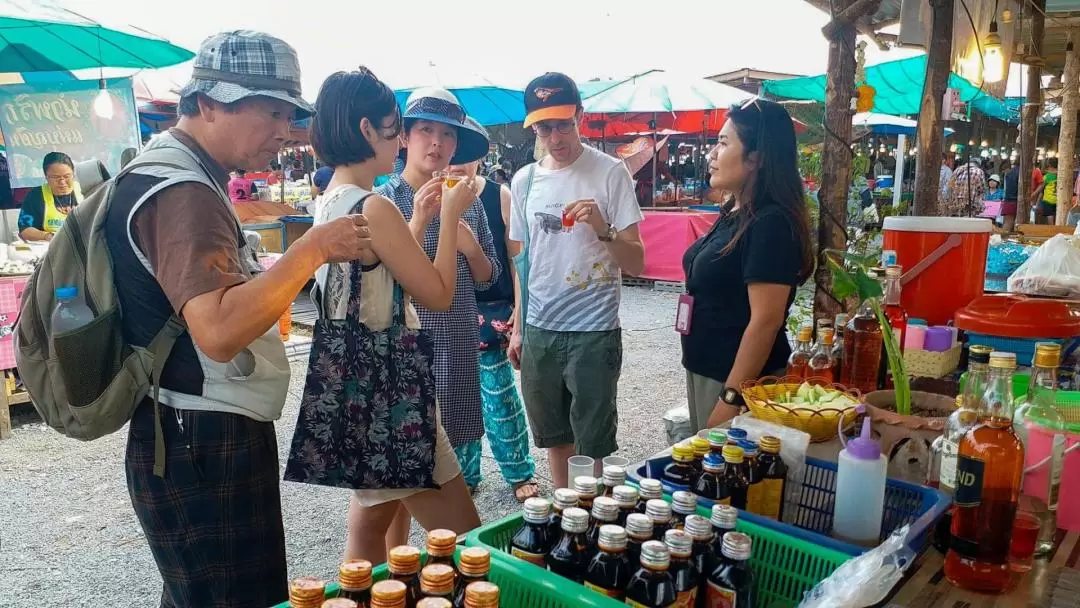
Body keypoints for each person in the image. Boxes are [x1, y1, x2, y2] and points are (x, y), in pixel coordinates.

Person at [104, 31, 372, 608]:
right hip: (201, 432)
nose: (285, 129)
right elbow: (220, 333)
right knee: (236, 597)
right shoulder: (183, 192)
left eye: (289, 114)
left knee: (203, 592)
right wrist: (313, 249)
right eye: (271, 111)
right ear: (208, 104)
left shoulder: (171, 171)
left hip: (180, 426)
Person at [305, 69, 483, 565]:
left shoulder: (331, 201)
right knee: (471, 544)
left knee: (368, 534)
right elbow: (440, 294)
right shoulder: (375, 205)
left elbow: (375, 276)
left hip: (352, 384)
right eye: (394, 127)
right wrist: (450, 215)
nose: (400, 139)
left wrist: (422, 220)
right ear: (368, 130)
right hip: (391, 393)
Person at [508, 73, 645, 489]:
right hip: (540, 330)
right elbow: (522, 260)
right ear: (533, 127)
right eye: (544, 127)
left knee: (592, 445)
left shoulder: (610, 173)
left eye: (563, 124)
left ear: (580, 117)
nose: (555, 137)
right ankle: (564, 520)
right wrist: (518, 326)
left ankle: (591, 526)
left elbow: (636, 261)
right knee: (555, 441)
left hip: (593, 332)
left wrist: (603, 228)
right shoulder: (524, 181)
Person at [377, 88, 501, 494]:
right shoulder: (386, 200)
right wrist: (420, 219)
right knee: (407, 458)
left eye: (447, 135)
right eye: (425, 130)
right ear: (404, 137)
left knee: (458, 458)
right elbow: (386, 277)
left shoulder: (468, 199)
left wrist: (469, 245)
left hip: (458, 338)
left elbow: (488, 277)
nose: (436, 142)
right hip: (409, 339)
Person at [680, 99, 814, 432]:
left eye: (724, 143)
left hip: (737, 382)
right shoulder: (736, 211)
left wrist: (732, 397)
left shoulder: (771, 223)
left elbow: (766, 321)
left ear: (756, 158)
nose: (712, 154)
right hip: (708, 371)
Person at [453, 148, 539, 502]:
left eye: (464, 149)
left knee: (500, 396)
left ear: (479, 157)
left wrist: (521, 309)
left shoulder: (496, 194)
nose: (456, 159)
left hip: (493, 311)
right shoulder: (428, 195)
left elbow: (515, 257)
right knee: (457, 399)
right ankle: (465, 475)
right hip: (449, 313)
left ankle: (519, 471)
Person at [18, 152, 81, 241]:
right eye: (55, 177)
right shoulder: (36, 195)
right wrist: (48, 236)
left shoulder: (85, 190)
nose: (62, 182)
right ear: (46, 177)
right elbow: (25, 229)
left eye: (67, 176)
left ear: (73, 174)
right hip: (50, 247)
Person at [1039, 158, 1059, 224]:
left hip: (1048, 200)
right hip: (1058, 200)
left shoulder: (1046, 177)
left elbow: (1041, 188)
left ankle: (1051, 231)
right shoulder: (1060, 175)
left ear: (1049, 165)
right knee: (1057, 218)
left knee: (1050, 218)